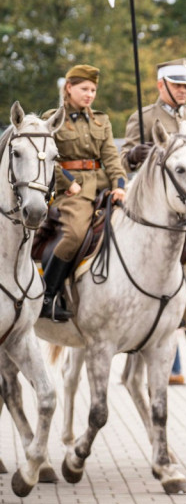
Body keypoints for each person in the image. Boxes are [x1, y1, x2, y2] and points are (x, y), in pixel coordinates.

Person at [40, 64, 127, 322]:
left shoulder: (102, 120)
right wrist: (67, 182)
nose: (89, 94)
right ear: (69, 88)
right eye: (84, 89)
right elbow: (45, 157)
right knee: (75, 234)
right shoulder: (52, 118)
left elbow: (111, 157)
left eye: (93, 90)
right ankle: (47, 297)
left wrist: (120, 186)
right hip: (72, 191)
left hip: (102, 186)